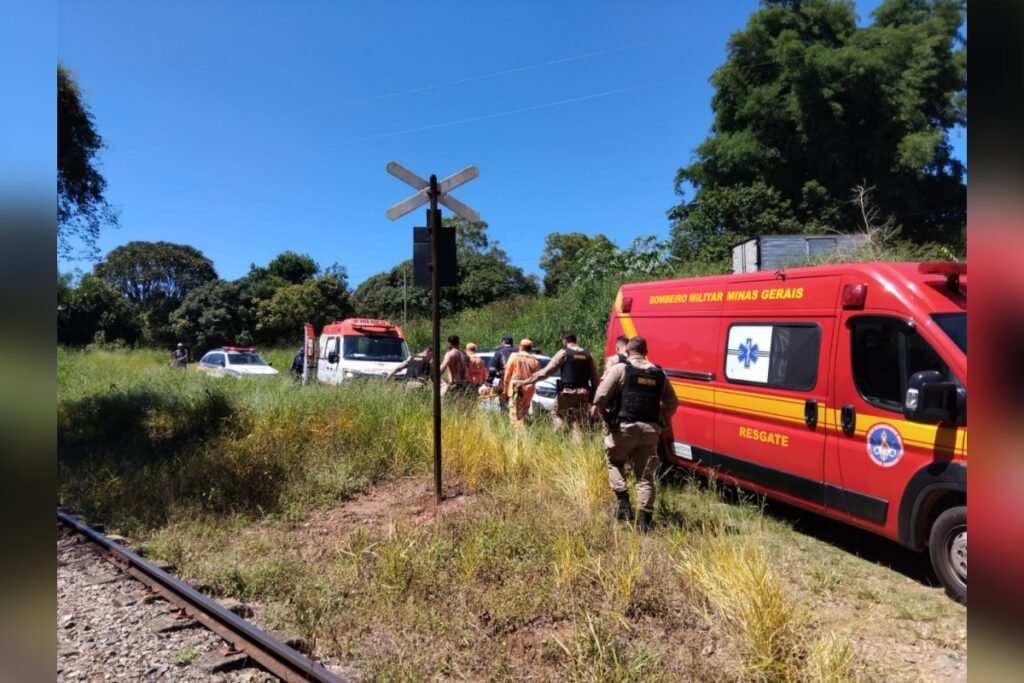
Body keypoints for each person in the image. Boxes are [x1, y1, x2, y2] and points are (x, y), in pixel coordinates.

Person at [590, 336, 678, 532]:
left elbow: (601, 395)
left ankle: (623, 503)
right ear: (646, 352)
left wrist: (604, 415)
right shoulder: (659, 374)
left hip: (624, 428)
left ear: (628, 351)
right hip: (650, 431)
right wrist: (664, 419)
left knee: (615, 462)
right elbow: (673, 402)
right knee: (645, 476)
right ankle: (645, 521)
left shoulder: (620, 369)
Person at [521, 331, 600, 432]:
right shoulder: (588, 355)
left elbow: (545, 373)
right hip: (583, 394)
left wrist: (526, 382)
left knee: (556, 414)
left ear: (565, 341)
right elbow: (596, 381)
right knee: (579, 424)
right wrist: (594, 400)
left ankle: (561, 433)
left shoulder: (564, 353)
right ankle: (577, 440)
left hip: (566, 394)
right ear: (576, 340)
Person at [504, 339, 542, 427]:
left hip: (516, 388)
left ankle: (519, 433)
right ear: (530, 348)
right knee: (524, 412)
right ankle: (524, 429)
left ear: (520, 347)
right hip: (529, 390)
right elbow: (538, 376)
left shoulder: (514, 357)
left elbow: (507, 375)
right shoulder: (535, 360)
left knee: (514, 412)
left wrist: (505, 390)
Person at [440, 335, 473, 400]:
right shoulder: (465, 355)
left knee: (449, 404)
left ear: (449, 343)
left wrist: (436, 378)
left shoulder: (450, 354)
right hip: (466, 384)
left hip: (455, 385)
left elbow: (442, 368)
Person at [488, 335, 517, 401]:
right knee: (516, 400)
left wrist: (489, 381)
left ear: (503, 342)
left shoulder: (499, 352)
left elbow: (492, 369)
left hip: (505, 379)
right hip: (519, 380)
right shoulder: (518, 351)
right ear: (512, 342)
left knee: (504, 399)